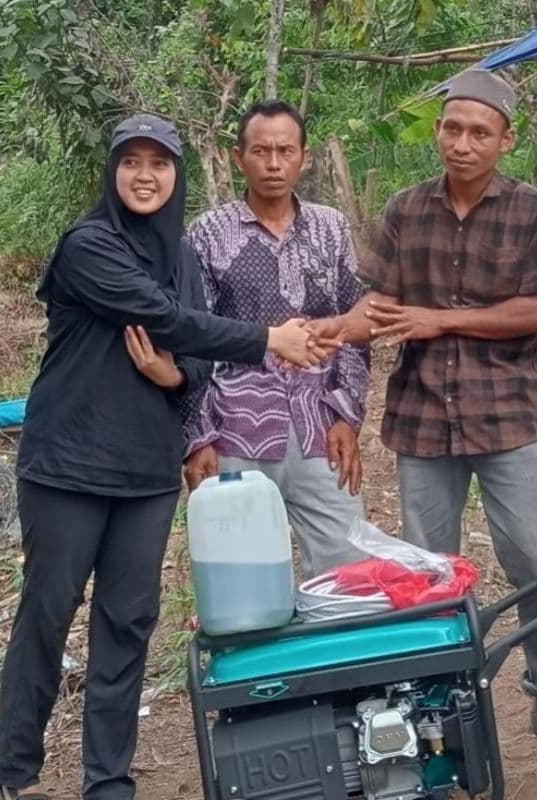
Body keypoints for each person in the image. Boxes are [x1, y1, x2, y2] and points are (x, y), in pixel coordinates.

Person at [0, 114, 329, 800]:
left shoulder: (180, 255)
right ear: (112, 172)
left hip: (146, 471)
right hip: (68, 466)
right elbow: (165, 318)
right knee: (49, 612)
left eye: (160, 163)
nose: (145, 175)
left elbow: (194, 354)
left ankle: (108, 780)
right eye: (131, 162)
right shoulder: (89, 246)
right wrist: (270, 339)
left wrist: (177, 377)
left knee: (128, 619)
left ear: (178, 175)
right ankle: (18, 772)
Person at [307, 69, 537, 743]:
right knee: (427, 573)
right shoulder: (408, 209)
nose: (462, 144)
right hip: (422, 419)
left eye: (478, 132)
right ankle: (436, 712)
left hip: (506, 416)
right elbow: (377, 305)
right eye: (452, 129)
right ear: (438, 132)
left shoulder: (534, 211)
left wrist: (441, 319)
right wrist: (323, 332)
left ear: (506, 140)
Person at [162, 99, 369, 578]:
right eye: (261, 152)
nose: (274, 164)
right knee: (246, 578)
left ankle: (339, 654)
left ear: (305, 156)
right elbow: (195, 339)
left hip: (321, 428)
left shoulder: (331, 228)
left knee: (349, 573)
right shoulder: (209, 234)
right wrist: (198, 438)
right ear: (240, 158)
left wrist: (347, 416)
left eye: (285, 151)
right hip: (238, 428)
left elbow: (354, 329)